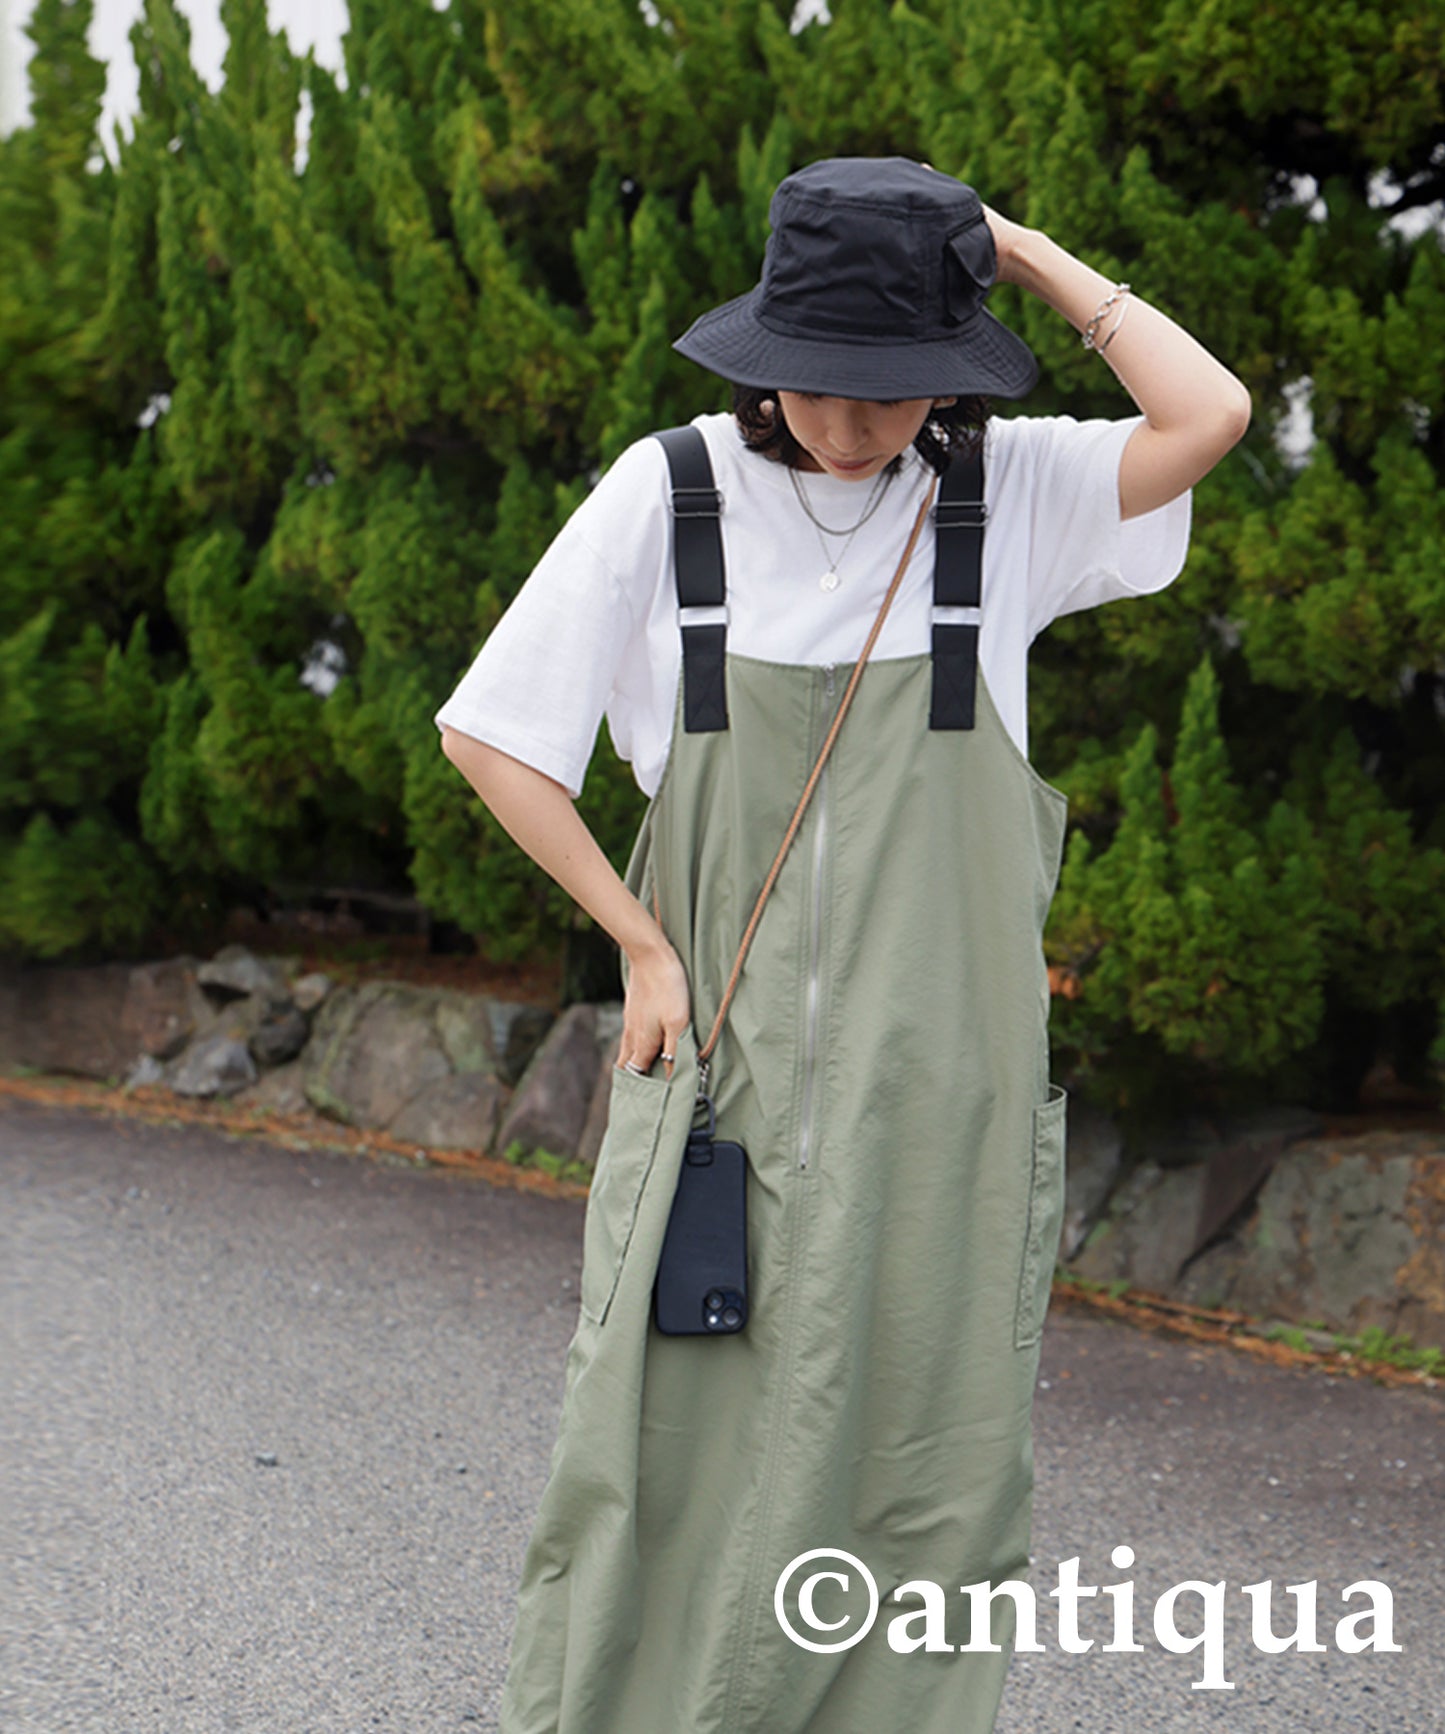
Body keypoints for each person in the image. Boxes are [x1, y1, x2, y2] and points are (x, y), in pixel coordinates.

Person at [437, 157, 1250, 1734]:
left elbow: (1205, 414)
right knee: (652, 1441)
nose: (847, 423)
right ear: (762, 347)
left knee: (915, 1456)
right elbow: (493, 736)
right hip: (715, 1077)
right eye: (819, 381)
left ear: (950, 371)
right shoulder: (665, 492)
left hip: (939, 1090)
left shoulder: (1005, 497)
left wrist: (1017, 254)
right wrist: (639, 944)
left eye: (892, 390)